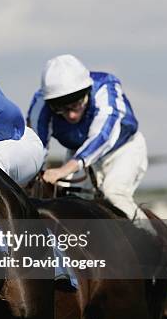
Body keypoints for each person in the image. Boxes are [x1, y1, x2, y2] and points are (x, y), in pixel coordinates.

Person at [27, 54, 148, 224]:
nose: (71, 115)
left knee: (113, 193)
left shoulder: (106, 88)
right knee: (71, 204)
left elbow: (102, 137)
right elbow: (35, 147)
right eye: (60, 108)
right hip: (79, 152)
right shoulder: (40, 103)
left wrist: (61, 171)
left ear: (87, 92)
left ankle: (154, 243)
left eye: (76, 105)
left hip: (122, 149)